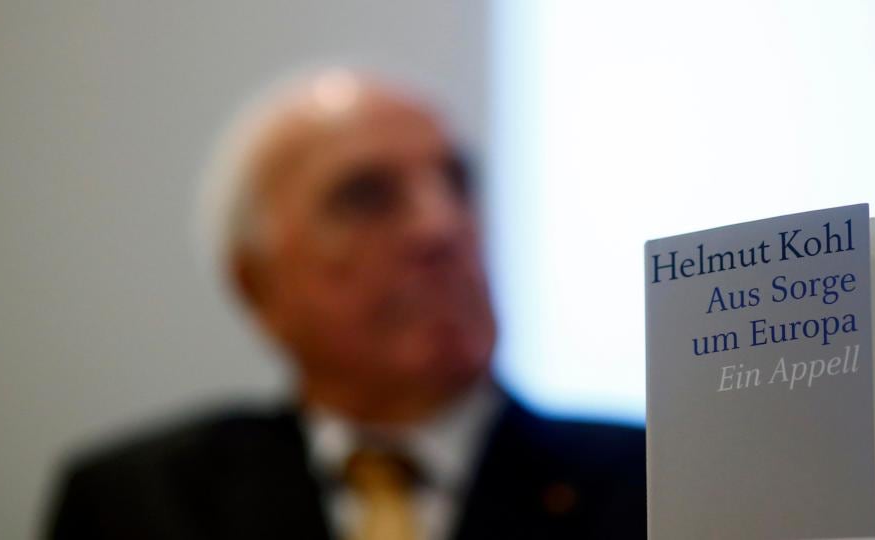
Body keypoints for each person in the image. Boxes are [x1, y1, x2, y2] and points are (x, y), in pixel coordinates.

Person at [46, 70, 646, 539]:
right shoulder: (139, 505)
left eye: (456, 183)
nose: (441, 227)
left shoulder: (651, 486)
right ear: (254, 285)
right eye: (366, 196)